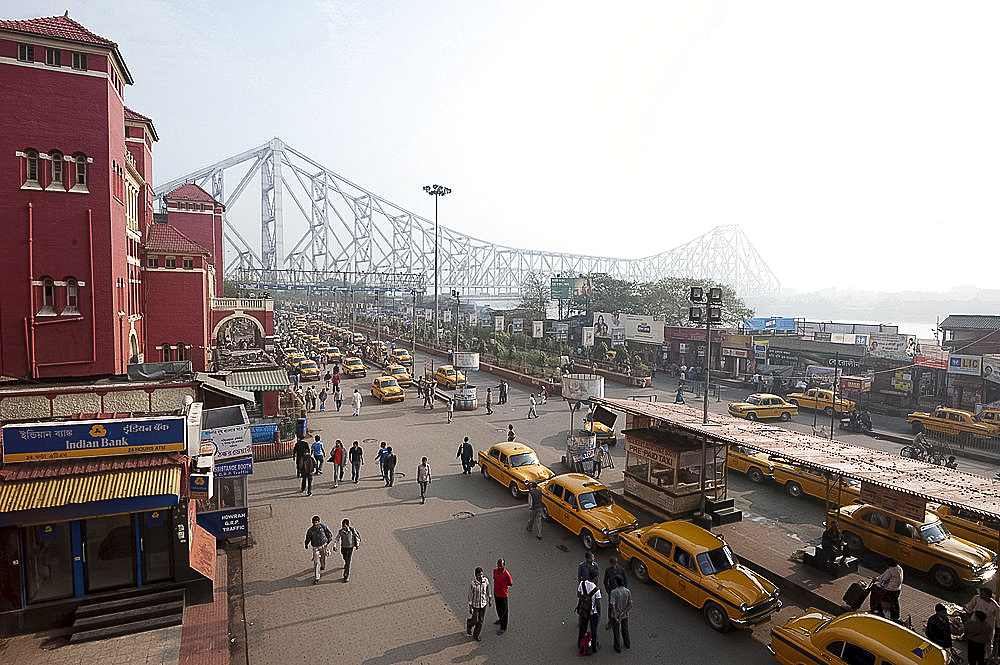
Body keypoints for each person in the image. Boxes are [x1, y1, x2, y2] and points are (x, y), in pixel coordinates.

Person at [965, 587, 1000, 658]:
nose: (980, 595)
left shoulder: (995, 606)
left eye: (983, 594)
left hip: (987, 626)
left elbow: (998, 619)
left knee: (987, 641)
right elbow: (970, 607)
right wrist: (968, 617)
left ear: (988, 596)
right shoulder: (977, 598)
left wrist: (998, 629)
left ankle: (987, 656)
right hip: (975, 622)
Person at [577, 568, 602, 654]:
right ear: (595, 578)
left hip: (584, 610)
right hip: (592, 612)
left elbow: (578, 594)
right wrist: (599, 614)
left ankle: (580, 644)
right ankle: (594, 647)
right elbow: (598, 604)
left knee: (582, 628)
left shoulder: (582, 583)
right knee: (593, 630)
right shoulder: (596, 590)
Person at [303, 515, 333, 584]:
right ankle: (317, 577)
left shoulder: (323, 527)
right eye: (313, 522)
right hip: (315, 547)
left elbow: (328, 533)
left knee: (323, 557)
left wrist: (329, 540)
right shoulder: (310, 530)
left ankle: (323, 566)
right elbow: (308, 538)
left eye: (316, 522)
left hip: (323, 545)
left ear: (319, 522)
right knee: (316, 562)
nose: (315, 524)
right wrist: (306, 544)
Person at [467, 567, 492, 642]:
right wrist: (470, 607)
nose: (480, 576)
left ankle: (476, 635)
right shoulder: (473, 584)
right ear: (475, 575)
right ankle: (469, 624)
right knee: (475, 620)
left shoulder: (485, 581)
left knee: (481, 620)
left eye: (481, 574)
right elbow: (470, 595)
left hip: (483, 604)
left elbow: (488, 589)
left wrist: (490, 598)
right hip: (475, 605)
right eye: (478, 575)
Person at [608, 576, 632, 652]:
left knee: (616, 632)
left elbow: (613, 606)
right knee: (625, 629)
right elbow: (630, 604)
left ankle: (617, 647)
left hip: (616, 615)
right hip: (624, 614)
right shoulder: (627, 591)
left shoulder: (614, 592)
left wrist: (616, 617)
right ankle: (627, 643)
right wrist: (622, 613)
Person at [493, 558, 513, 635]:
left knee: (504, 611)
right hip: (496, 593)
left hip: (503, 595)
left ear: (504, 565)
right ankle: (500, 619)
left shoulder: (506, 574)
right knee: (498, 608)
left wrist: (503, 586)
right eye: (498, 565)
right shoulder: (494, 571)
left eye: (501, 565)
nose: (499, 567)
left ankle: (503, 627)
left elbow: (510, 583)